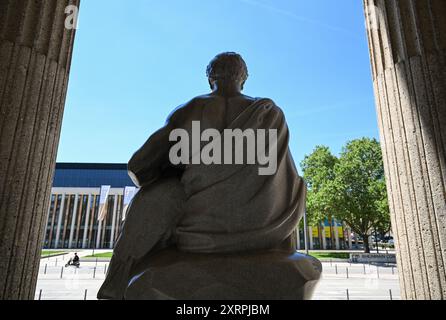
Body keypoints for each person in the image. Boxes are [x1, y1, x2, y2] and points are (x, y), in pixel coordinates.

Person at [97, 52, 306, 299]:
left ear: (210, 79)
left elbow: (139, 166)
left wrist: (179, 168)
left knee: (157, 196)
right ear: (244, 79)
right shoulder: (270, 114)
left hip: (198, 229)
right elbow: (287, 183)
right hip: (262, 228)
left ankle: (115, 284)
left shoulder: (190, 111)